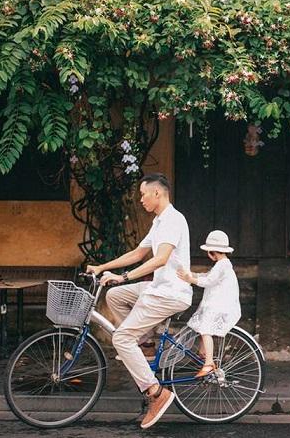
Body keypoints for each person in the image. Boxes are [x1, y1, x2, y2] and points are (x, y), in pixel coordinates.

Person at [85, 173, 191, 429]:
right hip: (157, 288)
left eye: (143, 194)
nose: (140, 199)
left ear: (157, 193)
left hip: (171, 293)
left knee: (121, 338)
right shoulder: (159, 222)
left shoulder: (173, 220)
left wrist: (124, 277)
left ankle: (156, 393)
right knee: (115, 295)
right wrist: (102, 267)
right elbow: (139, 253)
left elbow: (160, 258)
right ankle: (146, 345)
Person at [177, 230, 241, 378]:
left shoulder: (222, 265)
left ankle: (209, 362)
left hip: (219, 304)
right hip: (216, 302)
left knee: (205, 329)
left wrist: (190, 279)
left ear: (212, 252)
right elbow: (208, 276)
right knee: (202, 326)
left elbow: (208, 281)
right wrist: (191, 274)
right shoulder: (223, 263)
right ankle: (204, 351)